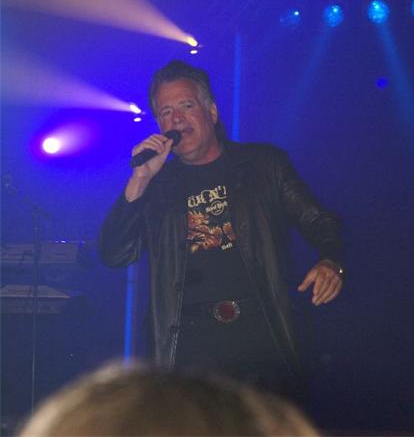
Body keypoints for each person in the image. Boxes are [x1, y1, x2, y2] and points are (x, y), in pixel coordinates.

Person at [99, 60, 343, 402]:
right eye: (166, 112)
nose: (177, 119)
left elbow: (318, 220)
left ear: (211, 112)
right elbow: (114, 253)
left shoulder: (263, 165)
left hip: (260, 341)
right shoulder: (157, 187)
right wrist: (139, 179)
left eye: (186, 106)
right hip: (188, 348)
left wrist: (331, 260)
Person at [18, 361, 321, 436]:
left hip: (253, 326)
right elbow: (115, 252)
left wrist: (331, 261)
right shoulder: (161, 208)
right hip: (183, 326)